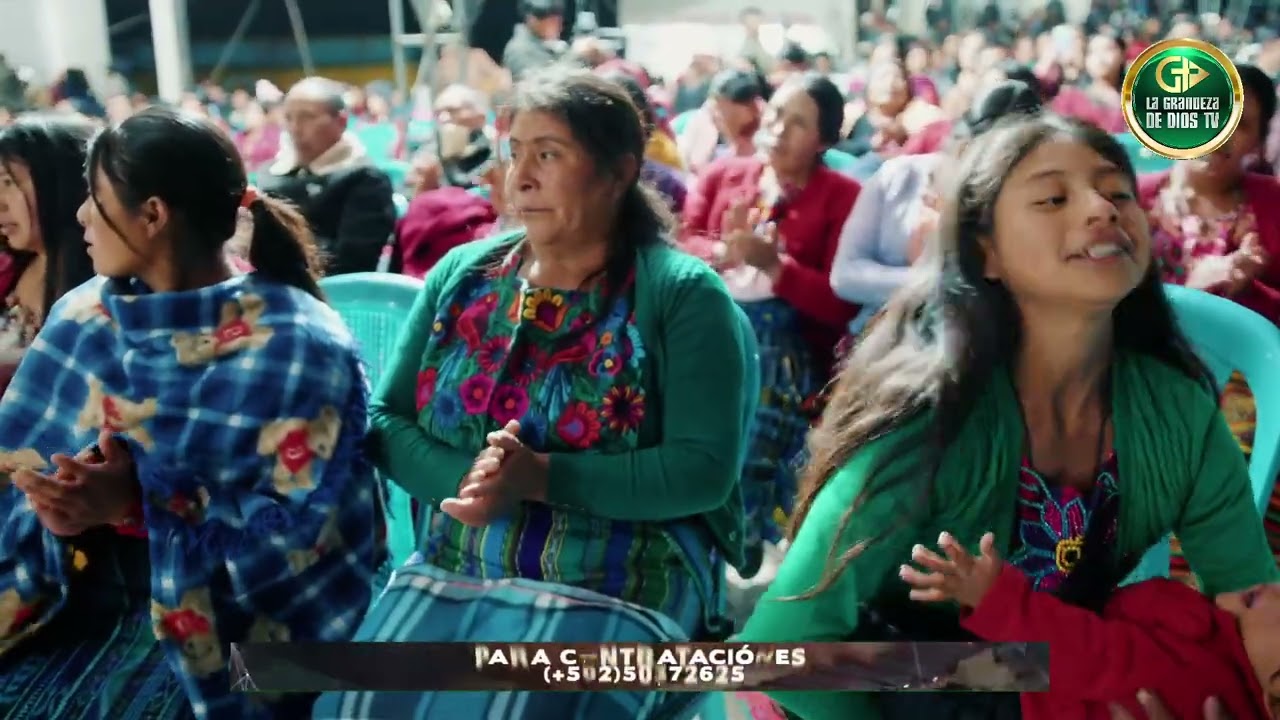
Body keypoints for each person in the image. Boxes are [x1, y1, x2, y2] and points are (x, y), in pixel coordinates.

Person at [737, 114, 1279, 720]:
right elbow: (785, 649)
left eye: (1118, 191)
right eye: (1053, 197)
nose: (1101, 209)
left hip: (1042, 682)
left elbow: (1251, 605)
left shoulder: (1176, 411)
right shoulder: (929, 420)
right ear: (983, 251)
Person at [345, 68, 747, 716]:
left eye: (549, 154)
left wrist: (541, 479)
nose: (520, 176)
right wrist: (474, 483)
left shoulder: (680, 295)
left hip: (620, 572)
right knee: (357, 705)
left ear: (617, 173)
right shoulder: (462, 274)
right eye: (515, 152)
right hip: (456, 564)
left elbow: (703, 471)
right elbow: (387, 419)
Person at [0, 107, 384, 720]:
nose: (79, 218)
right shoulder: (86, 316)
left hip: (239, 636)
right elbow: (18, 473)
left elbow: (305, 542)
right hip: (78, 597)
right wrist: (62, 509)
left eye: (94, 200)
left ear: (152, 215)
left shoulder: (297, 344)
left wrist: (132, 507)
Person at [681, 72, 859, 575]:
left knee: (755, 391)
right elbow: (679, 243)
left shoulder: (840, 197)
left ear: (824, 140)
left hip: (787, 343)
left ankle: (738, 525)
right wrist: (722, 251)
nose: (778, 129)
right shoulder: (724, 176)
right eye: (776, 114)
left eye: (797, 123)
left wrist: (775, 267)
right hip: (709, 323)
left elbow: (838, 303)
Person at [1138, 63, 1280, 579]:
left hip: (1245, 388)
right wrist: (1190, 288)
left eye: (1239, 122)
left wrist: (1255, 289)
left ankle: (1221, 590)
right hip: (1140, 372)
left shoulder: (1273, 204)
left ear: (1258, 141)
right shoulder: (1127, 197)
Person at [901, 535, 1279, 719]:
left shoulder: (1201, 666)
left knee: (884, 667)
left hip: (1019, 695)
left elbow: (1091, 654)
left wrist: (999, 602)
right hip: (1029, 679)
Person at [831, 80, 1042, 338]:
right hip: (874, 339)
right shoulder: (899, 176)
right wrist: (935, 281)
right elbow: (844, 275)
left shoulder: (1019, 205)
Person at [257, 76, 397, 275]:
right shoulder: (269, 175)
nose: (295, 129)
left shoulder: (366, 180)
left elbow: (351, 264)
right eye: (288, 118)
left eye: (307, 117)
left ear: (341, 121)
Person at [0, 115, 97, 392]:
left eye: (8, 183)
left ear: (59, 183)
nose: (0, 203)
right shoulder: (8, 270)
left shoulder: (98, 288)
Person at [502, 0, 568, 82]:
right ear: (532, 20)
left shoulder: (549, 44)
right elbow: (541, 87)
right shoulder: (519, 50)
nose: (559, 27)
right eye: (551, 22)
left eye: (559, 22)